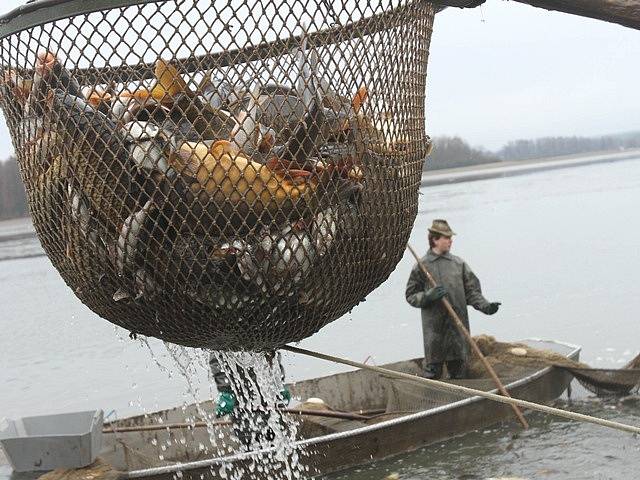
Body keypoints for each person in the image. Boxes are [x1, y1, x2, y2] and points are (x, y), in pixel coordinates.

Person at [405, 219, 501, 379]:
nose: (450, 241)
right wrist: (427, 297)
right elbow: (410, 296)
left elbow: (472, 292)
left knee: (460, 374)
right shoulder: (422, 266)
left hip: (457, 331)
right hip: (434, 334)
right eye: (447, 237)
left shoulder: (458, 264)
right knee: (433, 375)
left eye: (450, 237)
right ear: (435, 239)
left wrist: (486, 306)